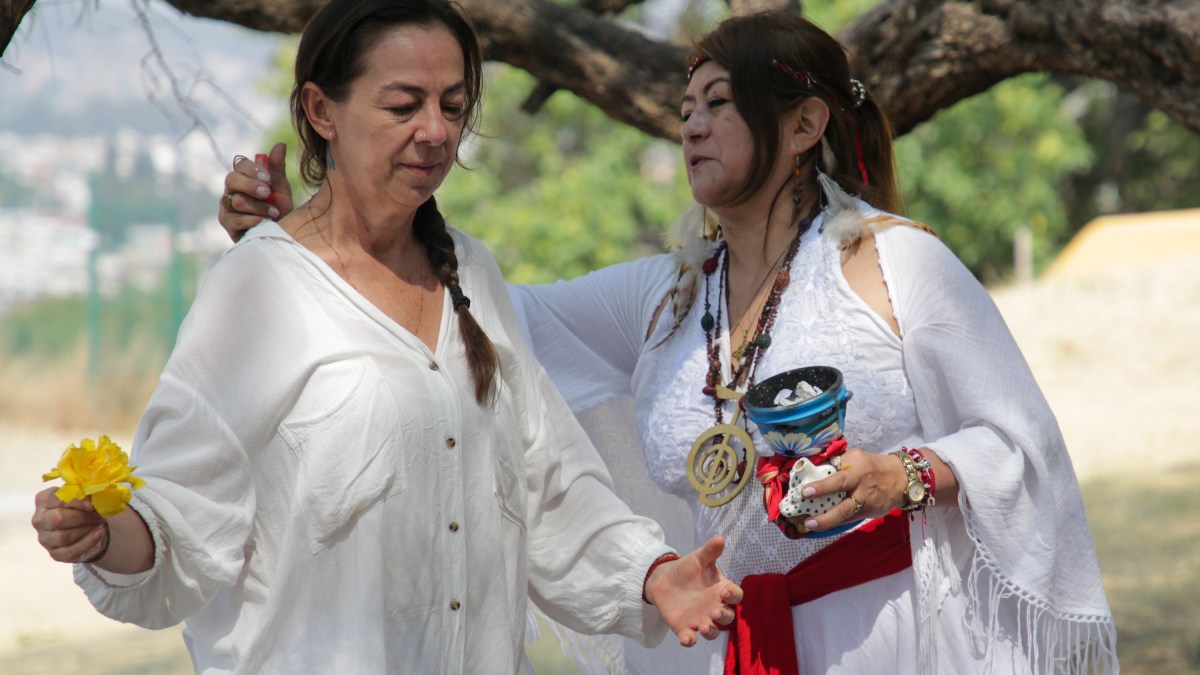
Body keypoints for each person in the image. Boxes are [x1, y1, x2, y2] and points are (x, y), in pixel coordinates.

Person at [217, 10, 1118, 674]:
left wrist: (902, 474)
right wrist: (315, 233)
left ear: (804, 126)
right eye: (685, 105)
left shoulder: (894, 264)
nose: (690, 124)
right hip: (719, 647)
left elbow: (1020, 442)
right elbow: (460, 313)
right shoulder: (665, 296)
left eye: (718, 104)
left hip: (881, 634)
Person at [30, 2, 746, 673]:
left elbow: (548, 482)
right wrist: (102, 536)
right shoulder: (259, 287)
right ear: (321, 110)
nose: (435, 131)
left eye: (453, 106)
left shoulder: (472, 273)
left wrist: (650, 577)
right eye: (404, 105)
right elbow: (181, 513)